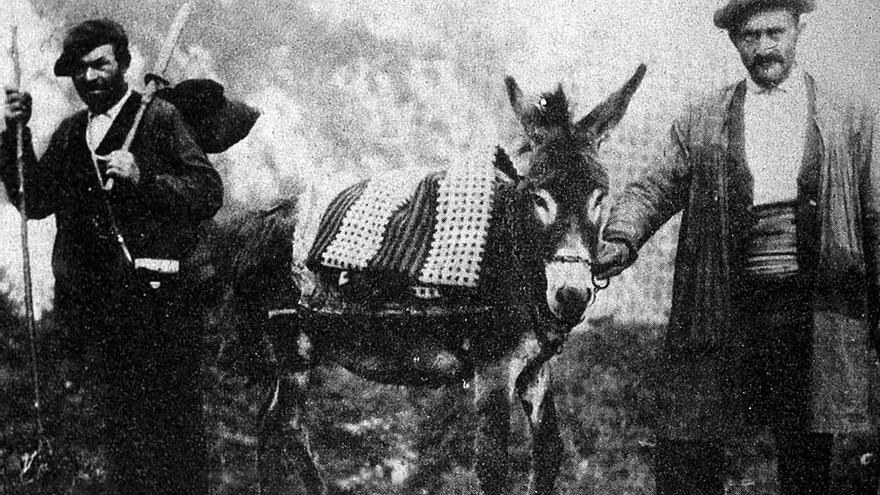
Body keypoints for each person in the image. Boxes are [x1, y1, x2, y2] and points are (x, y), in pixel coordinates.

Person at [593, 1, 880, 494]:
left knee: (809, 450)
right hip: (725, 302)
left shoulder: (847, 116)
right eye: (750, 37)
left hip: (813, 307)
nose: (764, 47)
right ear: (734, 41)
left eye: (775, 33)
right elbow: (655, 186)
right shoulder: (703, 121)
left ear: (797, 30)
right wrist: (621, 237)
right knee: (692, 441)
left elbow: (875, 210)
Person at [1, 19, 223, 493]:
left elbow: (208, 192)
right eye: (79, 69)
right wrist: (16, 133)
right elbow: (35, 201)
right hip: (99, 315)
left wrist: (145, 177)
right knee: (122, 444)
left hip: (161, 307)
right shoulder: (68, 135)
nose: (90, 76)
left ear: (123, 64)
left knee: (174, 441)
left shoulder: (159, 119)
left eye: (100, 63)